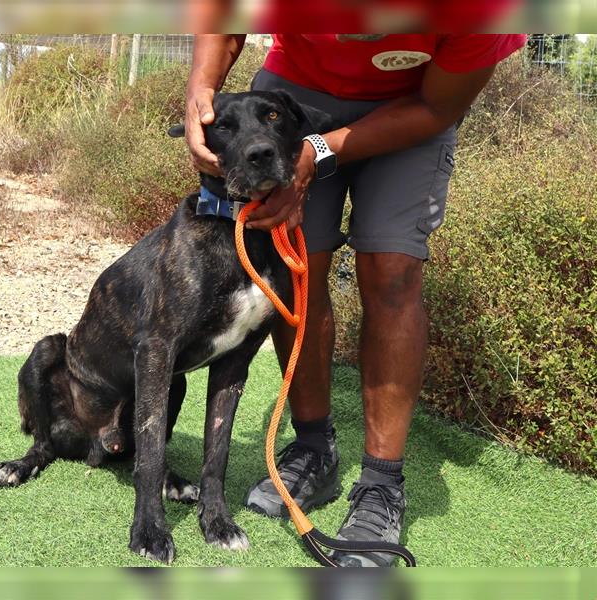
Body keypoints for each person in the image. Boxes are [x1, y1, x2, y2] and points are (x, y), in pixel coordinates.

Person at [184, 33, 527, 566]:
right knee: (297, 265)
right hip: (295, 94)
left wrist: (320, 151)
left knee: (392, 270)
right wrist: (200, 92)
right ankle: (314, 447)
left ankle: (381, 483)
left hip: (410, 104)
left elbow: (436, 106)